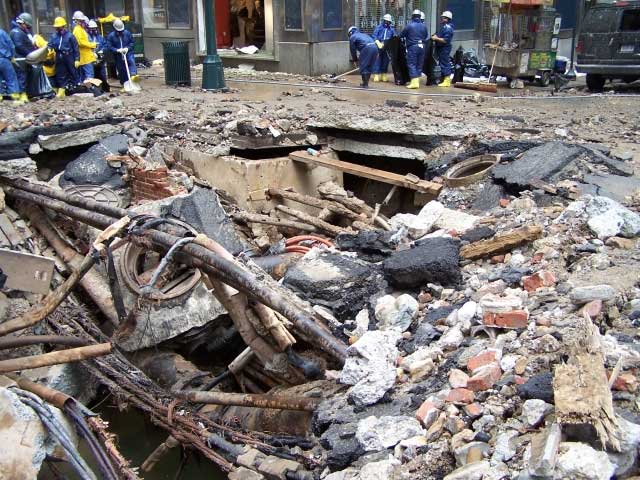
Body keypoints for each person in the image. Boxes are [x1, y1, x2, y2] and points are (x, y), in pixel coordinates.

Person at [48, 16, 80, 97]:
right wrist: (49, 49)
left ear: (63, 26)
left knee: (72, 72)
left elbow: (76, 48)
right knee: (60, 73)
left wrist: (77, 59)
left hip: (69, 55)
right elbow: (50, 44)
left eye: (60, 27)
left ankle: (74, 88)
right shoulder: (54, 36)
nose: (58, 29)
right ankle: (62, 89)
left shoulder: (70, 36)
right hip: (59, 55)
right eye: (57, 27)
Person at [400, 9, 428, 89]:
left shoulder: (410, 25)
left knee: (412, 63)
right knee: (419, 64)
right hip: (422, 46)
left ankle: (414, 82)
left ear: (412, 16)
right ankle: (417, 81)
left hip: (413, 46)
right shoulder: (424, 26)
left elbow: (402, 35)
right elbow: (426, 35)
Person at [9, 13, 34, 102]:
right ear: (22, 23)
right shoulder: (17, 33)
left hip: (20, 58)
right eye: (27, 26)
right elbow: (19, 46)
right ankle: (22, 94)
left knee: (22, 76)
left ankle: (23, 93)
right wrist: (30, 54)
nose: (27, 28)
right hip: (20, 59)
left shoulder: (17, 31)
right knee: (22, 76)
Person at [106, 19, 138, 88]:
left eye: (121, 31)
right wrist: (117, 50)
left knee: (131, 61)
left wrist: (127, 48)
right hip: (118, 55)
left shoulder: (127, 33)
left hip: (128, 52)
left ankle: (133, 75)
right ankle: (124, 84)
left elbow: (132, 42)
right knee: (121, 69)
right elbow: (109, 46)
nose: (120, 32)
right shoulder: (111, 36)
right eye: (118, 31)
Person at [431, 11, 455, 87]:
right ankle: (444, 79)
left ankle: (447, 80)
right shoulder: (444, 27)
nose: (441, 19)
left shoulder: (448, 28)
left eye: (443, 18)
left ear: (447, 19)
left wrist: (436, 38)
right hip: (441, 48)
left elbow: (445, 40)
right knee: (442, 63)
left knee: (445, 63)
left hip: (444, 48)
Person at [71, 11, 96, 82]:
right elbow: (80, 42)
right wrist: (93, 45)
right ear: (77, 21)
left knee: (86, 77)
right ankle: (91, 91)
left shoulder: (81, 29)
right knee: (89, 78)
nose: (83, 22)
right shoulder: (77, 30)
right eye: (82, 21)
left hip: (86, 57)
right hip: (85, 58)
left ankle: (88, 91)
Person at [0, 28, 23, 103]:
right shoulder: (2, 33)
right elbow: (11, 45)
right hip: (5, 59)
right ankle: (15, 96)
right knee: (10, 78)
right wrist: (12, 56)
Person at [372, 14, 396, 83]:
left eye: (388, 21)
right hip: (378, 47)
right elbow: (374, 36)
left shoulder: (391, 29)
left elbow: (394, 37)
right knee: (377, 60)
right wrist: (377, 42)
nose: (387, 23)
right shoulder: (378, 27)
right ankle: (376, 74)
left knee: (385, 61)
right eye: (386, 21)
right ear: (384, 20)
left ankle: (384, 74)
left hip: (387, 47)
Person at [87, 20, 109, 92]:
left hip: (100, 59)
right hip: (90, 58)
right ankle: (95, 89)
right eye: (91, 29)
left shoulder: (100, 37)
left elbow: (105, 45)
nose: (93, 30)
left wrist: (101, 51)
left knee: (102, 74)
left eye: (94, 28)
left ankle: (104, 88)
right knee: (92, 74)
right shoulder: (87, 37)